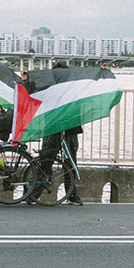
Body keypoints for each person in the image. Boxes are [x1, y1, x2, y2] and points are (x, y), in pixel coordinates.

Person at [37, 62, 85, 206]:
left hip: (70, 130)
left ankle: (72, 194)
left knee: (69, 163)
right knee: (46, 160)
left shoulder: (73, 89)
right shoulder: (49, 88)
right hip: (52, 130)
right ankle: (35, 193)